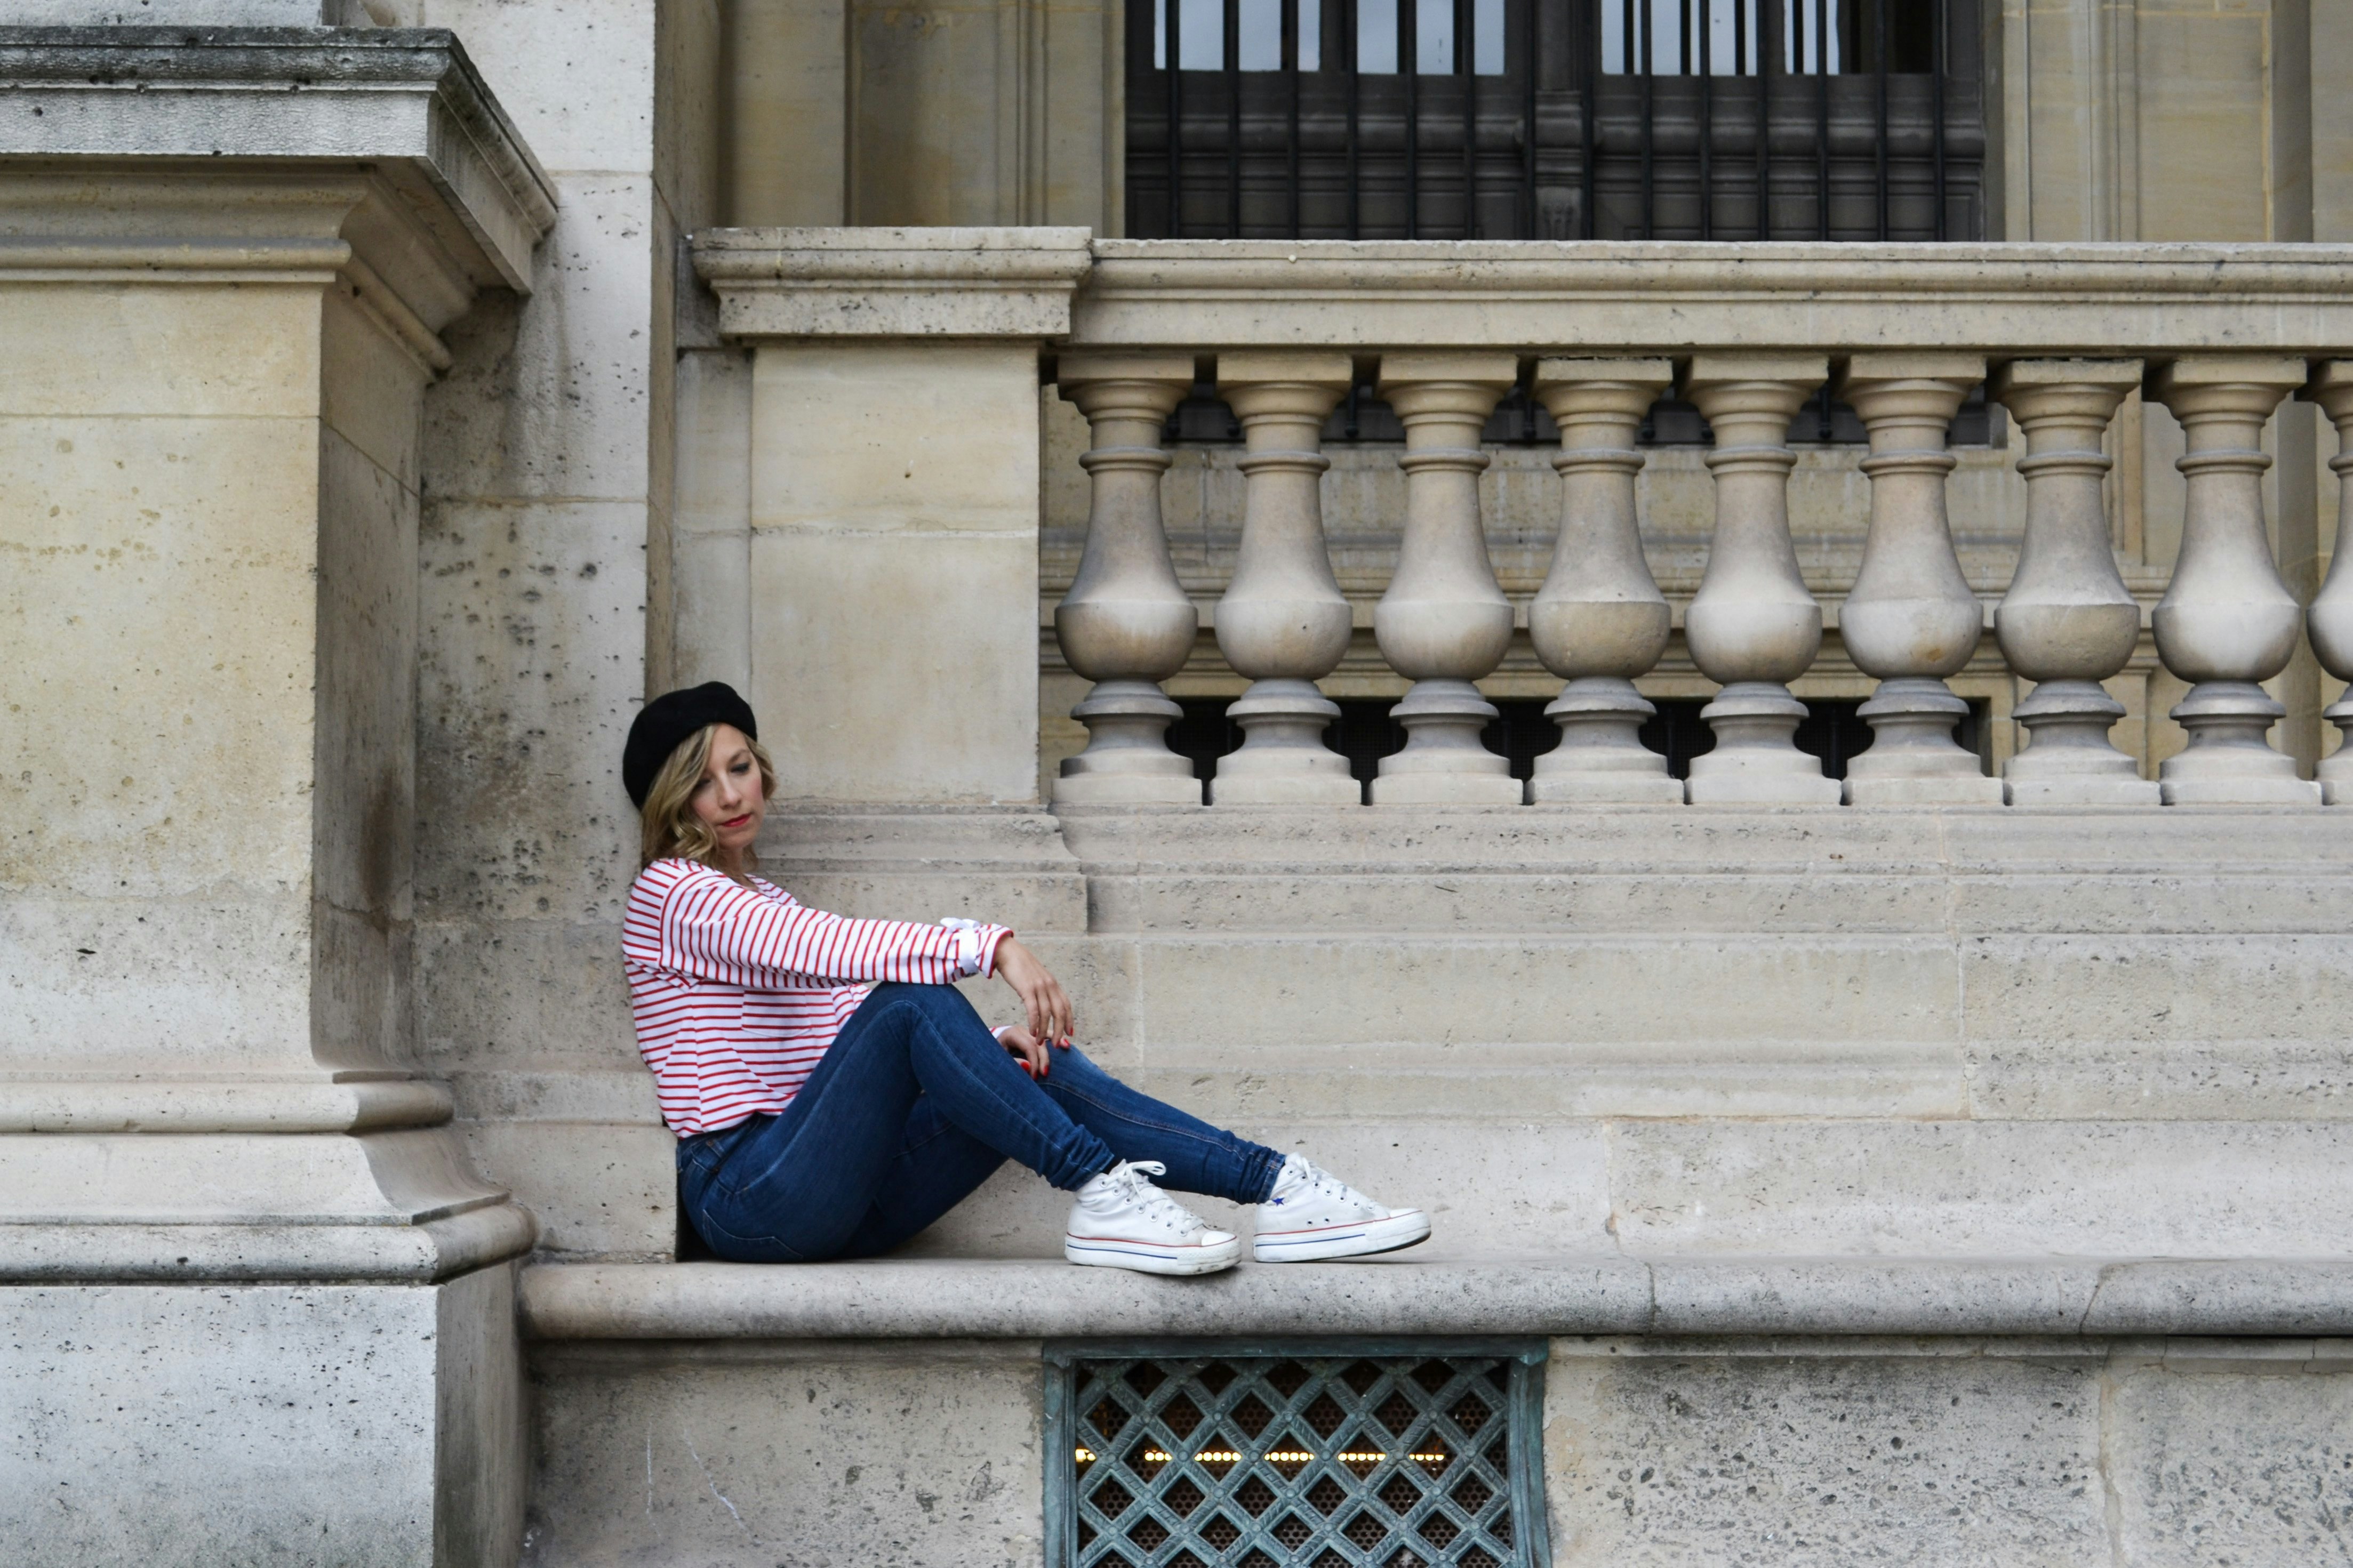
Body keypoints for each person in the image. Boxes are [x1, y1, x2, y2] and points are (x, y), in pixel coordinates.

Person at [622, 681, 1429, 1275]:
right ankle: (1102, 1191)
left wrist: (979, 1051)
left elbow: (841, 1023)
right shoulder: (672, 892)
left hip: (840, 1192)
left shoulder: (755, 894)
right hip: (748, 1193)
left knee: (1026, 1061)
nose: (730, 795)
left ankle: (1278, 1187)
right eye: (702, 780)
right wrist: (994, 945)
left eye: (740, 768)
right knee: (913, 1002)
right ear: (672, 801)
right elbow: (826, 948)